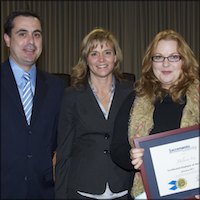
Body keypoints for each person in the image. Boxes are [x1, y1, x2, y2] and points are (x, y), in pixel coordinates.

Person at [110, 29, 199, 199]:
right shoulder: (135, 98)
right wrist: (132, 157)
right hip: (145, 192)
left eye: (174, 57)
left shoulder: (198, 97)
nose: (165, 64)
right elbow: (117, 148)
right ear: (151, 62)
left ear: (185, 61)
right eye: (158, 57)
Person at [55, 27, 134, 199]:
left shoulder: (131, 92)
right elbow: (64, 152)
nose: (101, 59)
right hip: (83, 189)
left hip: (123, 188)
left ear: (115, 57)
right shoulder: (71, 95)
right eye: (94, 53)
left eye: (107, 52)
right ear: (86, 58)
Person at [1, 11, 65, 199]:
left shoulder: (57, 87)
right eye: (22, 34)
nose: (31, 41)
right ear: (7, 39)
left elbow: (62, 139)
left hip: (45, 191)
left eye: (36, 34)